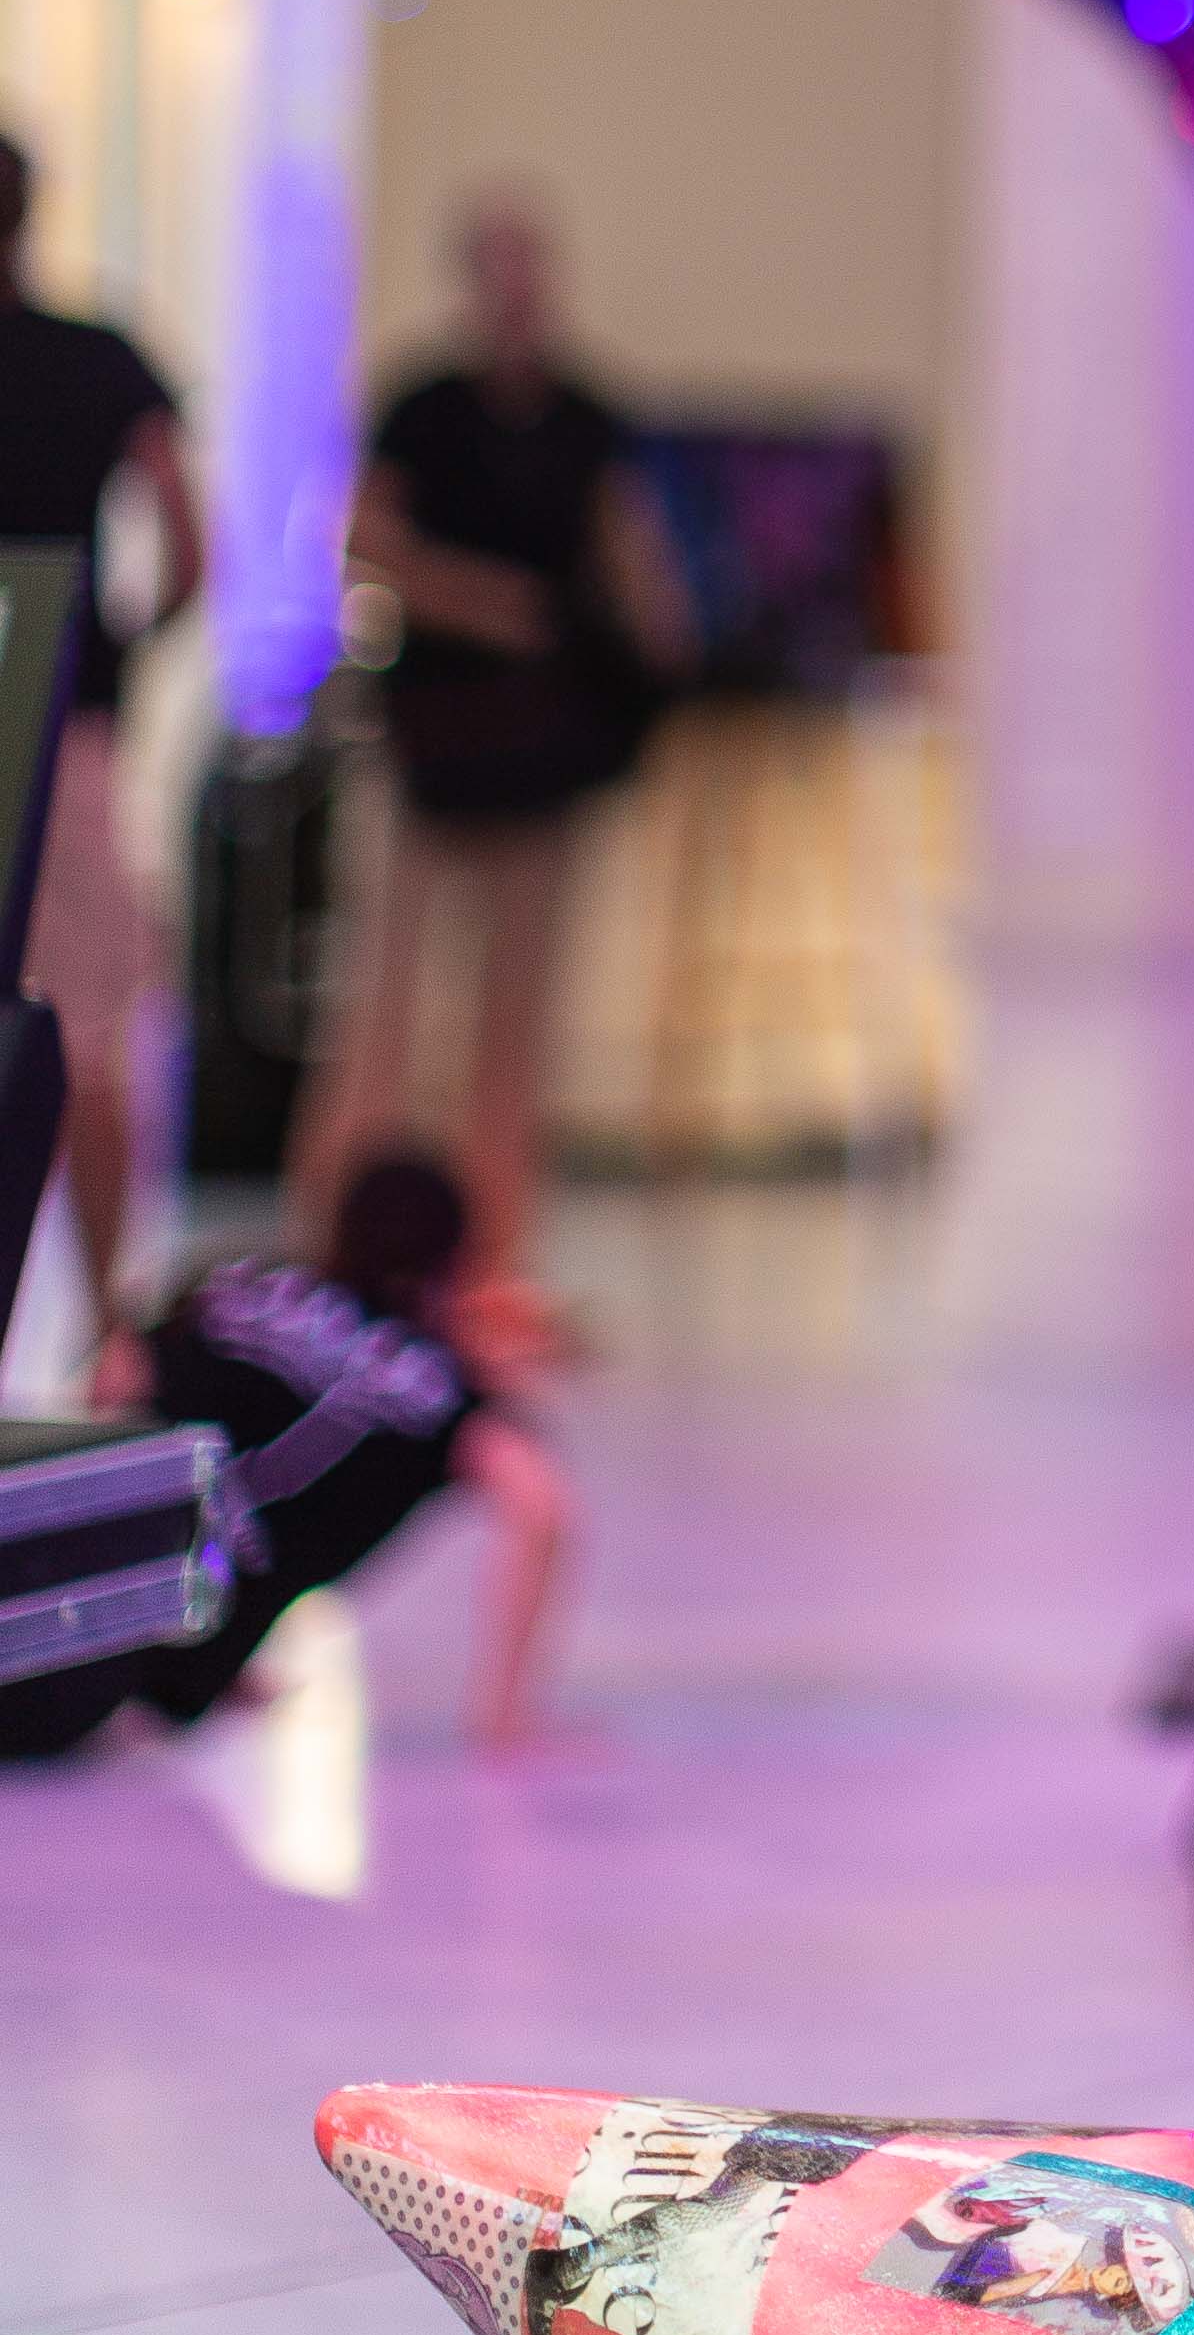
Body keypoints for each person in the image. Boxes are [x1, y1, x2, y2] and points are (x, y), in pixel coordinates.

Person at [294, 193, 690, 1270]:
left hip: (543, 747)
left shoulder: (587, 416)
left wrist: (660, 653)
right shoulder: (423, 408)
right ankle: (336, 1233)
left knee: (519, 1012)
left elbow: (630, 554)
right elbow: (365, 546)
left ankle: (493, 1255)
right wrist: (482, 603)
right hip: (430, 742)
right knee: (384, 1002)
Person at [0, 1140, 569, 1759]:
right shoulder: (439, 1393)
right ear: (457, 1265)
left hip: (39, 1595)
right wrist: (505, 1715)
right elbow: (538, 1502)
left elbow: (111, 1381)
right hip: (114, 1684)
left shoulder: (238, 1283)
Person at [0, 129, 205, 1331]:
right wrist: (123, 641)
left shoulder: (96, 356)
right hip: (66, 718)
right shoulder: (96, 360)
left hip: (60, 719)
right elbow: (188, 539)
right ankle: (109, 1326)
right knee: (85, 1031)